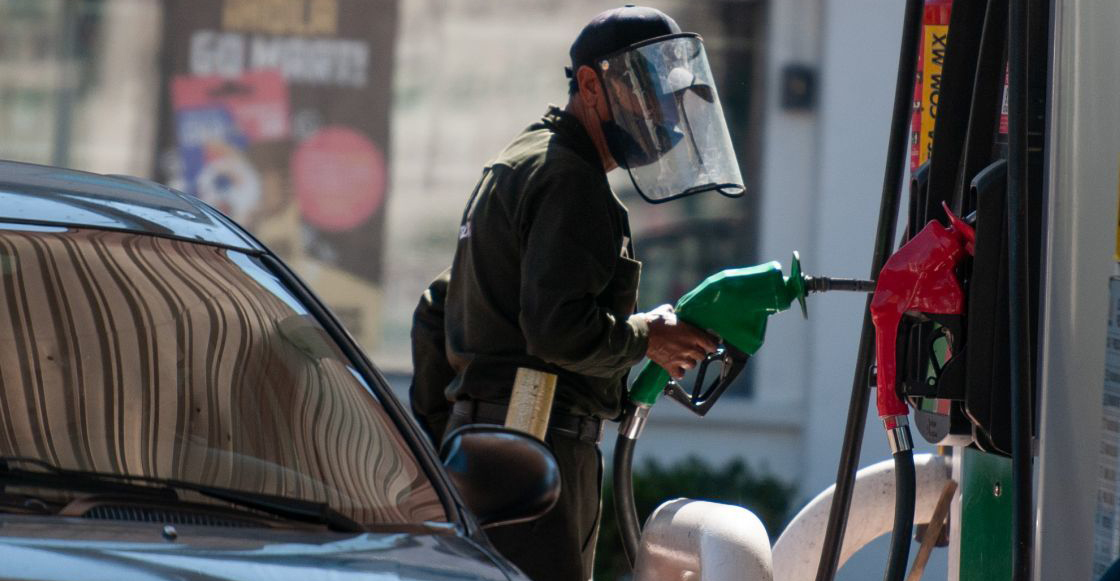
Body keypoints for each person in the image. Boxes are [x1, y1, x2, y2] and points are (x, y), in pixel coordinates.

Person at [409, 6, 746, 580]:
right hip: (537, 445)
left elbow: (437, 306)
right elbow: (557, 329)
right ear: (590, 85)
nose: (663, 114)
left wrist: (450, 436)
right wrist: (648, 338)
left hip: (487, 447)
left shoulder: (519, 161)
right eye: (647, 93)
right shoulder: (571, 179)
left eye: (669, 97)